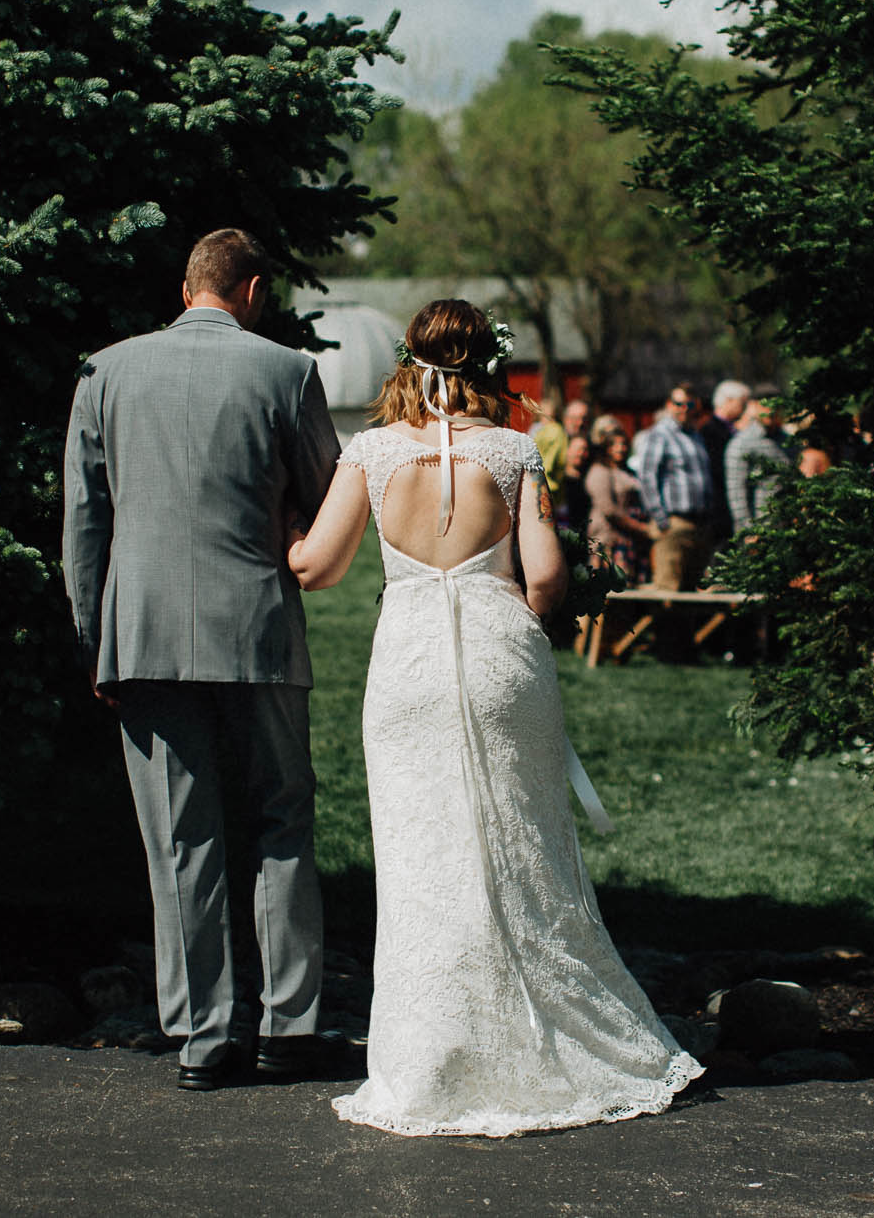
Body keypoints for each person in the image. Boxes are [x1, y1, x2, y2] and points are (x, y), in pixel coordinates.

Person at [288, 299, 702, 1137]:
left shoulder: (367, 452)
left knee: (420, 855)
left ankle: (430, 1059)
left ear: (406, 362)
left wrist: (278, 528)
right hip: (497, 653)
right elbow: (545, 578)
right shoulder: (513, 450)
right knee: (520, 841)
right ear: (488, 366)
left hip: (406, 661)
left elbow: (317, 567)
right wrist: (519, 588)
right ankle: (551, 1038)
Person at [62, 228, 339, 1093]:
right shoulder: (285, 372)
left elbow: (83, 524)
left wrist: (95, 640)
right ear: (252, 290)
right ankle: (289, 1024)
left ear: (188, 290)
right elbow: (329, 497)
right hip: (255, 628)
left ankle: (203, 1035)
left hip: (143, 635)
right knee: (281, 821)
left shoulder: (104, 372)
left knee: (181, 838)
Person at [630, 382, 716, 589]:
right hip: (673, 524)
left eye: (689, 405)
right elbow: (647, 477)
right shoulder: (658, 435)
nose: (684, 409)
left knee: (692, 595)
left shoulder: (696, 436)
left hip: (699, 526)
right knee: (667, 593)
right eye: (679, 404)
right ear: (669, 405)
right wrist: (661, 519)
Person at [584, 416, 650, 581]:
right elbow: (609, 510)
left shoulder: (628, 471)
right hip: (608, 539)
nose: (620, 449)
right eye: (614, 445)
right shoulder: (600, 471)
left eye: (624, 444)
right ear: (606, 448)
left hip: (630, 539)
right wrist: (642, 528)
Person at [724, 395, 792, 532]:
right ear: (754, 406)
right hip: (758, 530)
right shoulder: (741, 443)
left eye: (775, 407)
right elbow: (736, 493)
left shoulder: (787, 441)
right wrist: (749, 531)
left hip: (786, 528)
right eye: (765, 406)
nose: (770, 411)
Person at [699, 380, 750, 540]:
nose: (744, 408)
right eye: (741, 403)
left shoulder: (733, 429)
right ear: (728, 401)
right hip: (720, 507)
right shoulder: (710, 431)